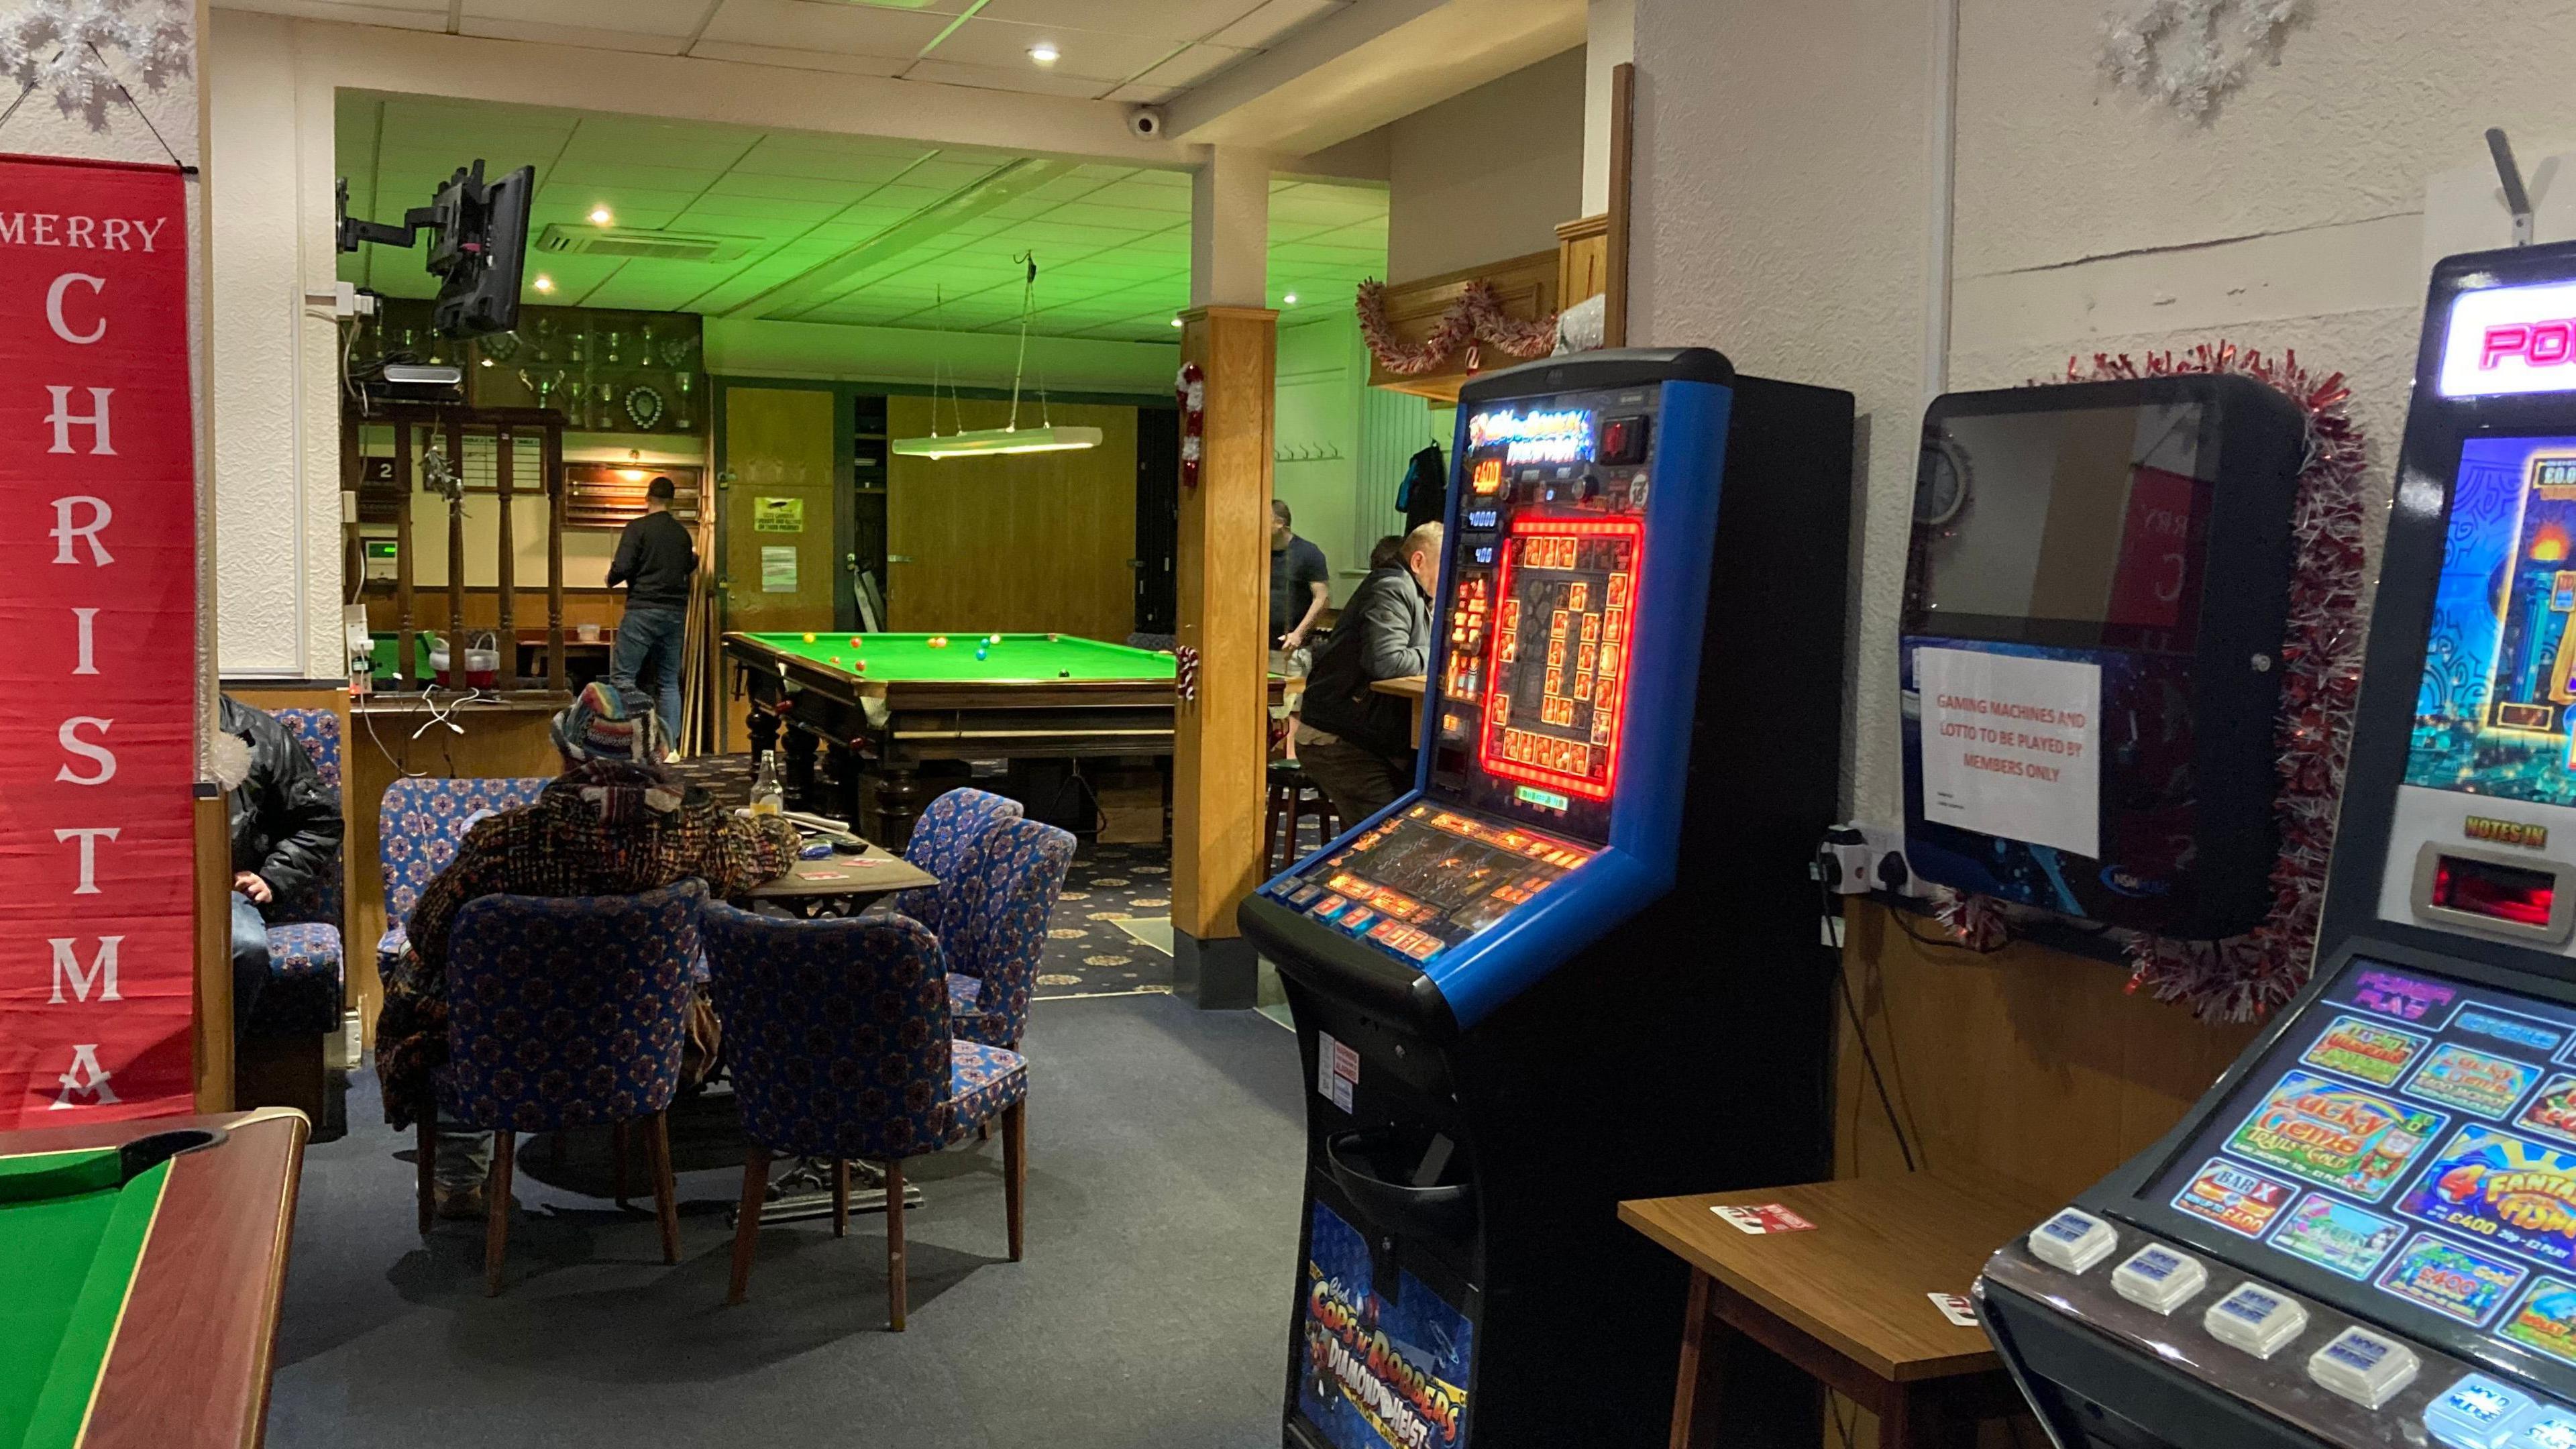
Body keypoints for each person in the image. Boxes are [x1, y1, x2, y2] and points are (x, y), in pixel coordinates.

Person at [374, 681, 802, 1220]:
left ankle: (460, 1179)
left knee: (430, 983)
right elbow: (774, 846)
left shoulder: (506, 843)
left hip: (509, 1046)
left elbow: (427, 932)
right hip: (641, 1047)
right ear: (660, 756)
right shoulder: (698, 835)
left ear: (566, 757)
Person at [215, 696, 344, 1044]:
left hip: (223, 890)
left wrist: (274, 877)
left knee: (243, 946)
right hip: (137, 894)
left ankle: (220, 1074)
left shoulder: (262, 735)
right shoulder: (120, 729)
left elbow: (320, 823)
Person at [1296, 522, 1441, 826]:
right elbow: (1388, 663)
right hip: (1339, 739)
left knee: (1417, 810)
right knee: (1392, 836)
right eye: (1445, 566)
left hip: (1358, 735)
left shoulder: (1415, 592)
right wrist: (1445, 654)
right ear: (1418, 561)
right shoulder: (1392, 587)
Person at [606, 476, 697, 755]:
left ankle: (623, 745)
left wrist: (611, 579)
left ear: (648, 497)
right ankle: (670, 751)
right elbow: (690, 564)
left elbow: (623, 566)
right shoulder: (682, 534)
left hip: (643, 609)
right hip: (675, 612)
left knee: (623, 679)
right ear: (672, 500)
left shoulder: (637, 528)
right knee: (669, 681)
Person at [1269, 498, 1331, 665]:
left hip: (1291, 649)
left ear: (1280, 523)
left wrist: (1298, 634)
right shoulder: (1256, 552)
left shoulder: (1308, 553)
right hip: (1255, 646)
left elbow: (1322, 598)